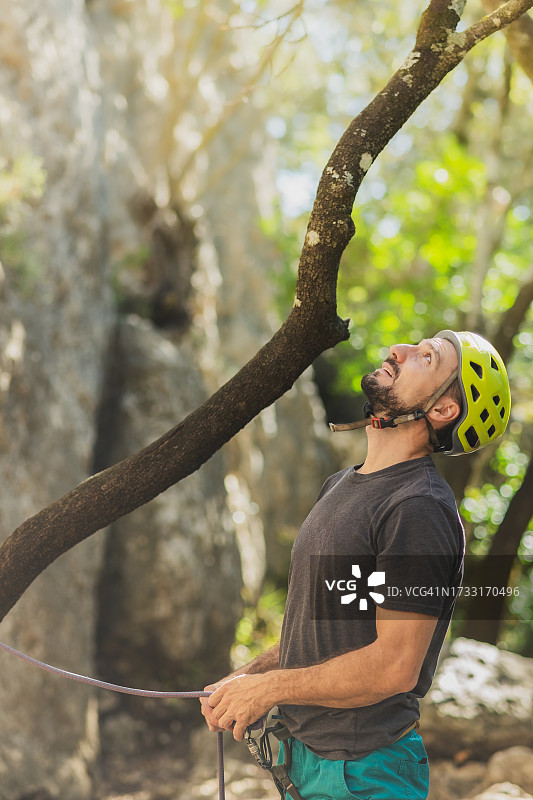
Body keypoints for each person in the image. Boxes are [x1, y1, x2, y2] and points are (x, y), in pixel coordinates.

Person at [200, 330, 511, 800]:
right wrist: (251, 676)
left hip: (365, 774)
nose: (399, 351)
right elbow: (333, 634)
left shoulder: (418, 508)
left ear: (445, 409)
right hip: (310, 764)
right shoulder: (342, 485)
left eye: (427, 357)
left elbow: (395, 667)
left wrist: (269, 690)